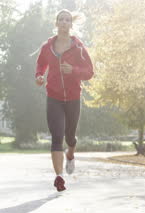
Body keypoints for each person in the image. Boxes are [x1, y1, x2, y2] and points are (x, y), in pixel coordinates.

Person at [35, 9, 94, 192]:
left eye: (67, 20)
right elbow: (41, 64)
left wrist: (74, 70)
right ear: (56, 23)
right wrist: (39, 76)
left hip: (73, 98)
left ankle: (71, 154)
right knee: (57, 136)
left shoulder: (77, 47)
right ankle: (59, 177)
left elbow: (89, 72)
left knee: (70, 136)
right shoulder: (47, 46)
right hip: (53, 97)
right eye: (60, 19)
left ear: (71, 24)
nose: (63, 22)